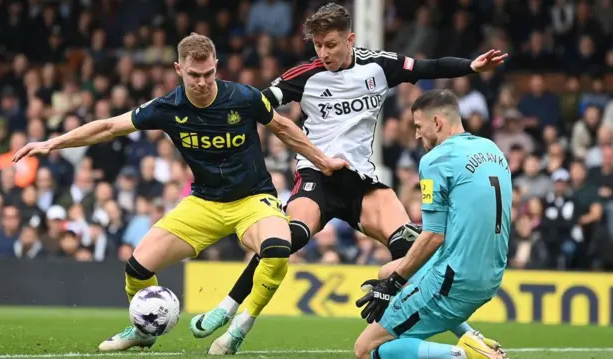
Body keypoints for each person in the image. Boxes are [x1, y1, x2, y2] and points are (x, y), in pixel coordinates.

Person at [192, 2, 507, 352]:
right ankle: (231, 313)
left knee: (411, 250)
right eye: (317, 45)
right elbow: (260, 107)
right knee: (286, 240)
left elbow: (428, 66)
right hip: (317, 177)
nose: (323, 53)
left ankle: (468, 336)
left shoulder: (379, 66)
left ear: (350, 39)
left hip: (361, 182)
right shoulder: (305, 76)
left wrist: (472, 66)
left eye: (330, 44)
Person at [12, 33, 347, 353]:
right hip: (203, 203)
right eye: (193, 75)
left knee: (277, 248)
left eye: (208, 73)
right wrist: (53, 142)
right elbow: (109, 126)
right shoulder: (167, 106)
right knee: (138, 267)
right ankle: (143, 331)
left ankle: (239, 329)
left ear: (216, 65)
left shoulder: (243, 97)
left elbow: (284, 128)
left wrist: (322, 160)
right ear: (178, 69)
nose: (202, 82)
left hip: (253, 201)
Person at [352, 89, 511, 359]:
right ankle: (471, 338)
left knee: (366, 349)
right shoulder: (492, 149)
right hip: (491, 276)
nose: (416, 135)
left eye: (418, 126)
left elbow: (434, 235)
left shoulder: (435, 160)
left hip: (453, 280)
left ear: (437, 122)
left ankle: (466, 356)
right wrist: (392, 278)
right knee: (385, 271)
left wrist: (393, 284)